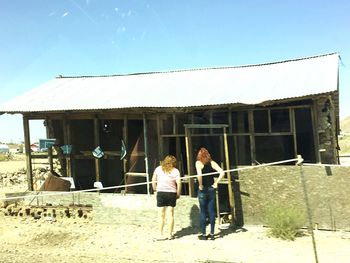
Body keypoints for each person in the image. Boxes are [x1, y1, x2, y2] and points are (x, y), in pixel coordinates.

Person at [195, 147, 225, 240]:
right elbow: (222, 172)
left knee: (203, 212)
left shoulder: (198, 163)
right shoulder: (212, 163)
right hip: (211, 189)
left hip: (203, 190)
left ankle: (204, 235)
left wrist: (200, 184)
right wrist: (216, 183)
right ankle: (212, 234)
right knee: (212, 212)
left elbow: (199, 175)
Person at [152, 155, 181, 240]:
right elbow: (179, 183)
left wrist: (155, 190)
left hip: (161, 192)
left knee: (161, 215)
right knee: (170, 214)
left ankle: (160, 233)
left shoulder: (158, 169)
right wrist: (178, 193)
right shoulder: (176, 171)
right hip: (171, 193)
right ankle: (170, 234)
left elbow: (153, 180)